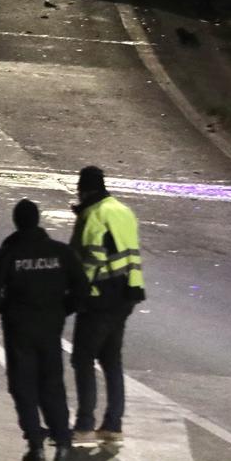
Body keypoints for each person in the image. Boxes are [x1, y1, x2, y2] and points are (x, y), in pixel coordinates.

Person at [0, 199, 89, 461]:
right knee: (52, 384)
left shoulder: (9, 254)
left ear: (17, 222)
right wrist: (63, 309)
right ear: (38, 220)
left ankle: (36, 445)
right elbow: (82, 288)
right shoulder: (60, 252)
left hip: (20, 330)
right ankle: (62, 443)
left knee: (23, 386)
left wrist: (9, 309)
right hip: (50, 327)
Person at [69, 166, 144, 444]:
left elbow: (88, 260)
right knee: (112, 360)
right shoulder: (123, 211)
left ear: (84, 189)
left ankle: (85, 424)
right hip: (127, 293)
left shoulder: (93, 215)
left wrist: (76, 295)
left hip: (98, 296)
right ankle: (113, 424)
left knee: (83, 359)